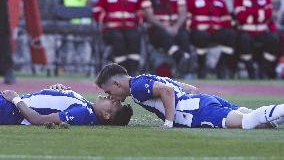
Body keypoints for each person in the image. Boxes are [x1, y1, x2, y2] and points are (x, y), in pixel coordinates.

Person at [96, 63, 284, 129]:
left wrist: (169, 122)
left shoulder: (136, 87)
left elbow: (167, 91)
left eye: (108, 92)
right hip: (200, 103)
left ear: (116, 83)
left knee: (247, 122)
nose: (111, 96)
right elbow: (191, 88)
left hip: (195, 110)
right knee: (260, 123)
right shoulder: (144, 80)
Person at [0, 84, 133, 126]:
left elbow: (38, 120)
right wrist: (57, 90)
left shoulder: (85, 114)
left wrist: (15, 99)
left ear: (106, 115)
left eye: (114, 103)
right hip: (8, 102)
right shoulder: (87, 106)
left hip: (9, 109)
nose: (111, 97)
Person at [186, 0, 237, 79]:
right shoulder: (192, 0)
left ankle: (221, 66)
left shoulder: (220, 2)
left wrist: (218, 26)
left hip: (215, 33)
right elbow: (187, 20)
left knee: (231, 35)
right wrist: (196, 26)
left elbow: (227, 21)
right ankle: (201, 66)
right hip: (198, 33)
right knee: (201, 36)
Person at [141, 0, 191, 76]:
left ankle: (184, 66)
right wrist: (166, 27)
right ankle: (181, 58)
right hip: (157, 30)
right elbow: (149, 16)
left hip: (176, 28)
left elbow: (183, 12)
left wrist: (176, 27)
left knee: (184, 36)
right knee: (162, 35)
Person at [93, 0, 142, 76]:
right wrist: (105, 20)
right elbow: (97, 11)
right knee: (118, 38)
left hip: (130, 28)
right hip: (111, 29)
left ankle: (133, 70)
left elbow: (140, 12)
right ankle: (123, 69)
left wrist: (138, 19)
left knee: (134, 37)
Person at [233, 0, 280, 79]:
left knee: (274, 39)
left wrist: (250, 13)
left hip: (262, 31)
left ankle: (262, 70)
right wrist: (259, 14)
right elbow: (241, 17)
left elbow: (268, 14)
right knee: (244, 40)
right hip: (245, 31)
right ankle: (251, 71)